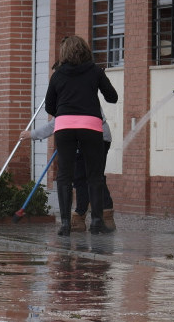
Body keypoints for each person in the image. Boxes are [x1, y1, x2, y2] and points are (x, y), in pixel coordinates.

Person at [44, 35, 119, 236]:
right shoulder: (95, 71)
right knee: (94, 176)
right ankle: (96, 221)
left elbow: (49, 106)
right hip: (91, 126)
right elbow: (113, 97)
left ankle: (66, 224)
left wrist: (64, 109)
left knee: (64, 177)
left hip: (65, 127)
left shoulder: (58, 75)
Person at [21, 119, 91, 231]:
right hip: (81, 139)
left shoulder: (69, 105)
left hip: (85, 140)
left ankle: (82, 218)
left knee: (82, 178)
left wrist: (33, 134)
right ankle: (84, 217)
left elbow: (55, 123)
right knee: (85, 178)